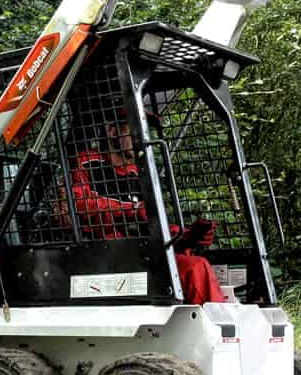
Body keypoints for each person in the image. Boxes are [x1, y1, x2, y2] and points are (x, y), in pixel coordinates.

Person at [67, 117, 226, 304]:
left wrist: (184, 236)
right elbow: (78, 205)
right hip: (102, 258)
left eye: (145, 130)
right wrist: (130, 211)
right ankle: (221, 329)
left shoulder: (140, 176)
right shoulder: (87, 163)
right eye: (134, 127)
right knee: (194, 268)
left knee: (192, 263)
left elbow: (150, 224)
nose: (141, 136)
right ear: (112, 131)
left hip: (139, 256)